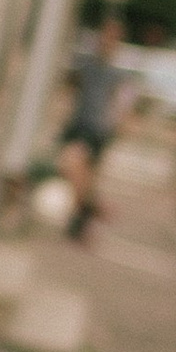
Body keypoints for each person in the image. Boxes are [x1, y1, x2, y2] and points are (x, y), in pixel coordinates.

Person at [59, 17, 128, 237]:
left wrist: (117, 124)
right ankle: (92, 210)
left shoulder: (116, 74)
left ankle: (82, 220)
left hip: (96, 131)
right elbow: (69, 90)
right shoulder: (85, 64)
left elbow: (121, 104)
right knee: (76, 173)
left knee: (82, 175)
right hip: (78, 126)